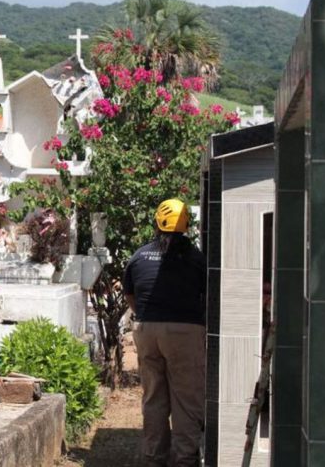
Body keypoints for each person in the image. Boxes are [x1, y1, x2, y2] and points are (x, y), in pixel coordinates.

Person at [123, 199, 206, 467]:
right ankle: (184, 459)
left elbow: (130, 294)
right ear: (186, 225)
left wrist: (146, 317)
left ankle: (154, 458)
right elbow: (206, 295)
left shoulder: (139, 256)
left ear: (157, 223)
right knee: (186, 398)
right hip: (186, 331)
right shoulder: (196, 258)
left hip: (147, 329)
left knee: (154, 397)